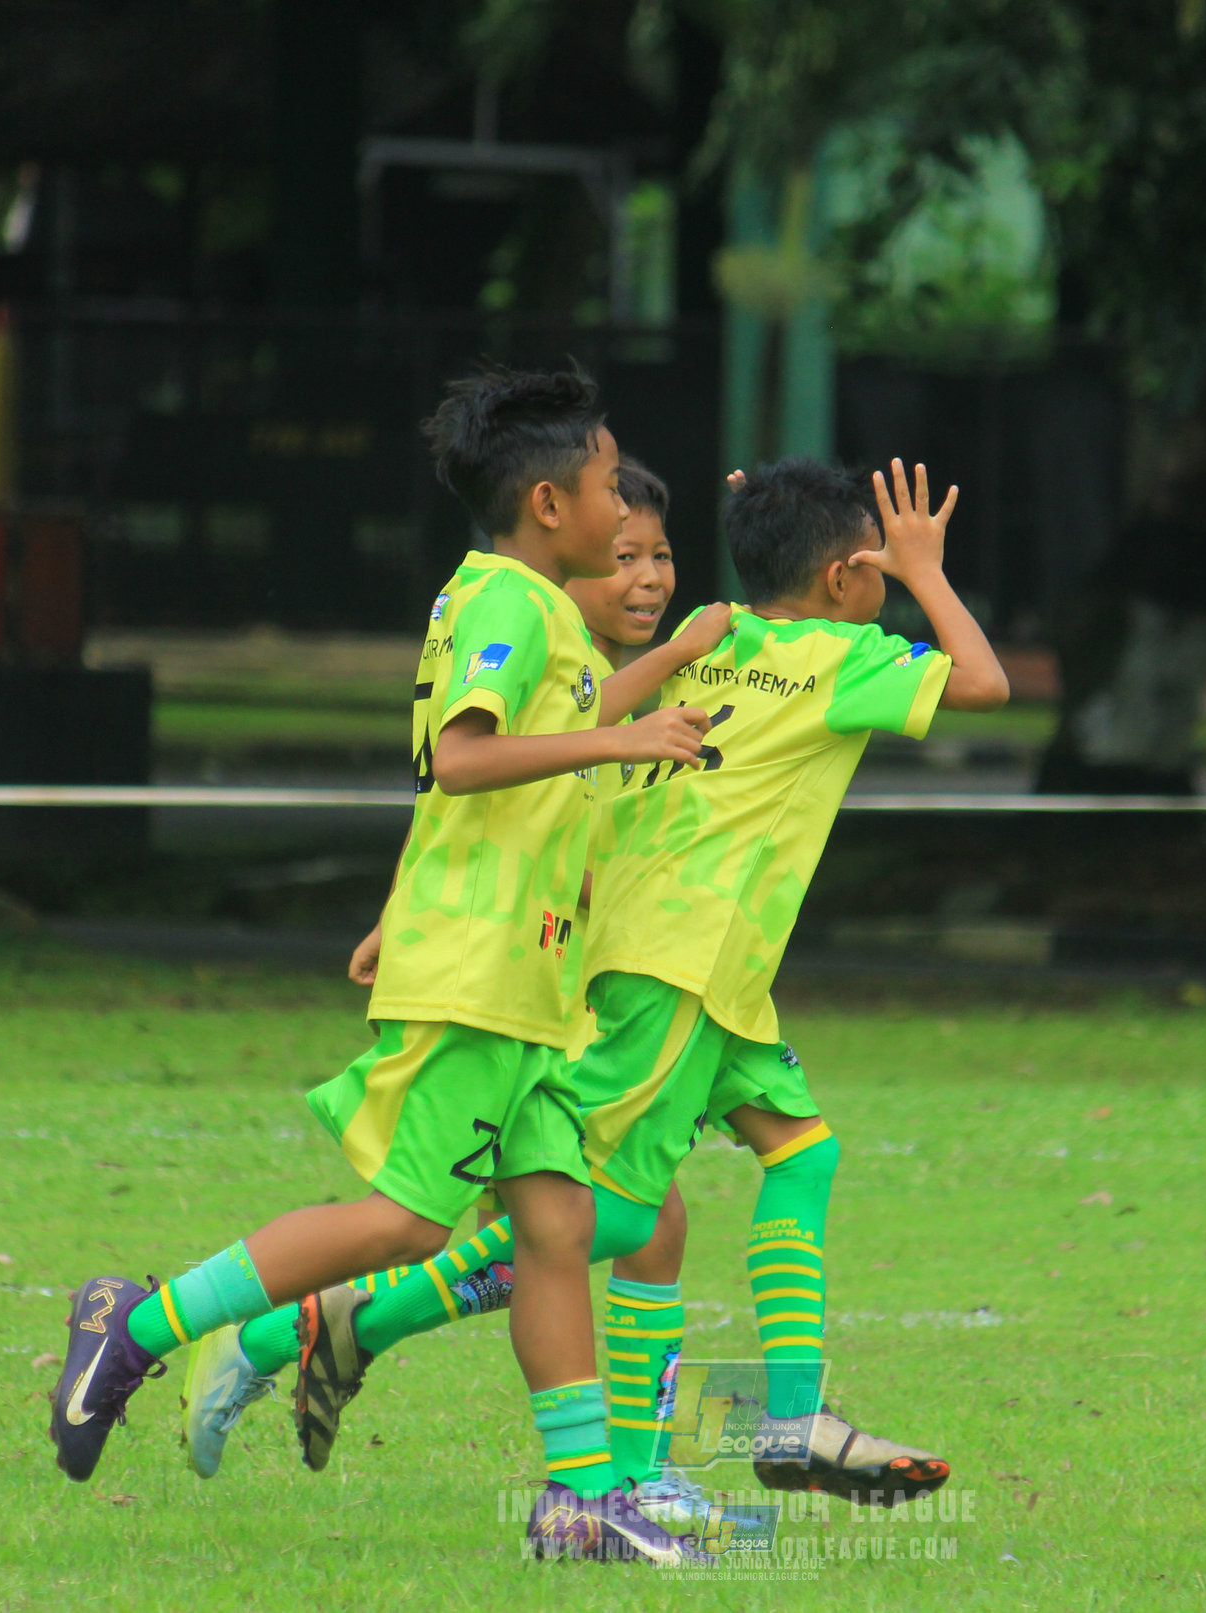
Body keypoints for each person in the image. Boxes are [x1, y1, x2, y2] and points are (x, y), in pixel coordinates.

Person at [182, 456, 1007, 1522]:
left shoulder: (706, 644)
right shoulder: (838, 653)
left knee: (793, 1151)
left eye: (660, 550)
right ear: (850, 575)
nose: (647, 569)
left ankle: (744, 1434)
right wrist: (931, 574)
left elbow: (551, 777)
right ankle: (317, 1324)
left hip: (683, 965)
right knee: (599, 1218)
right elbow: (982, 681)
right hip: (677, 964)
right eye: (880, 569)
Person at [39, 368, 725, 1565]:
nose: (629, 518)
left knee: (558, 1225)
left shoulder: (533, 606)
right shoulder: (511, 603)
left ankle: (579, 1497)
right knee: (407, 1220)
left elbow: (504, 764)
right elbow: (464, 759)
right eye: (614, 487)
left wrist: (646, 687)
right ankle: (138, 1323)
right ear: (553, 503)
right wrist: (624, 733)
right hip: (481, 972)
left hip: (525, 981)